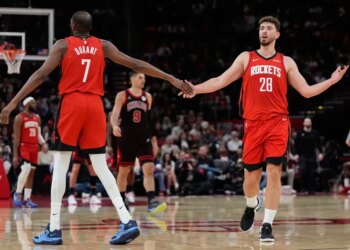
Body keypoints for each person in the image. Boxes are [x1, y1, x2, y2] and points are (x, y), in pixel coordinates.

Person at [0, 11, 192, 246]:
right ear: (90, 28)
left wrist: (10, 104)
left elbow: (40, 75)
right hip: (95, 105)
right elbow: (134, 63)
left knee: (61, 163)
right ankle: (126, 220)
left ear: (72, 26)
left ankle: (54, 227)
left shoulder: (62, 45)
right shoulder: (103, 46)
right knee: (101, 166)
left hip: (72, 103)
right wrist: (170, 78)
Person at [180, 16, 348, 242]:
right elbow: (220, 81)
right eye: (261, 28)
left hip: (278, 123)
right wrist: (196, 89)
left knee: (274, 173)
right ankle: (252, 204)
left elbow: (306, 91)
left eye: (269, 28)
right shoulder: (246, 58)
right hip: (253, 124)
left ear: (277, 34)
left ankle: (267, 225)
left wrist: (331, 81)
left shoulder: (286, 62)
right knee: (250, 179)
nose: (264, 31)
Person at [110, 71, 167, 214]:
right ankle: (121, 201)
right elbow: (115, 114)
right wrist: (114, 126)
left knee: (149, 168)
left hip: (144, 138)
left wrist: (154, 142)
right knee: (124, 171)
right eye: (140, 77)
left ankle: (152, 201)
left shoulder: (148, 96)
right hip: (126, 138)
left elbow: (150, 121)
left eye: (144, 78)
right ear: (132, 79)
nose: (143, 80)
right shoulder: (122, 95)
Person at [13, 97, 46, 208]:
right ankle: (17, 193)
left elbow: (38, 134)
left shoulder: (37, 118)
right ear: (26, 104)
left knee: (31, 173)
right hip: (24, 146)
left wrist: (43, 143)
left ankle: (27, 199)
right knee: (26, 169)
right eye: (33, 102)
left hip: (34, 148)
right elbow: (16, 139)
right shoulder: (19, 118)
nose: (35, 104)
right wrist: (15, 156)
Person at [294, 117, 323, 194]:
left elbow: (319, 144)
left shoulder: (315, 133)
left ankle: (311, 189)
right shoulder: (300, 133)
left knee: (312, 172)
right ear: (303, 123)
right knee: (303, 171)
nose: (307, 123)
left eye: (309, 122)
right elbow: (296, 145)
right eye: (306, 122)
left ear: (311, 123)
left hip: (312, 155)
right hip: (302, 155)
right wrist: (296, 154)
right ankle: (303, 188)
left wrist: (320, 153)